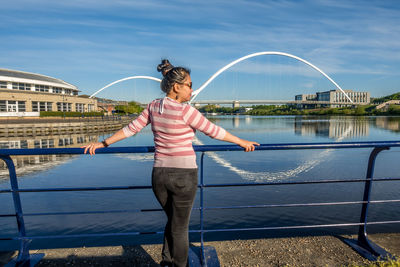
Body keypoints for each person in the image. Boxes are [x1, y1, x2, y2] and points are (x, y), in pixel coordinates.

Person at [83, 59, 259, 267]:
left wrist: (104, 142)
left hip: (159, 175)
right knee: (180, 227)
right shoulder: (187, 111)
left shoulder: (153, 107)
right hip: (183, 176)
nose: (192, 90)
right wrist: (241, 141)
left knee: (174, 221)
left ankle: (166, 261)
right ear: (177, 87)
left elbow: (131, 129)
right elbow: (214, 131)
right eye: (190, 85)